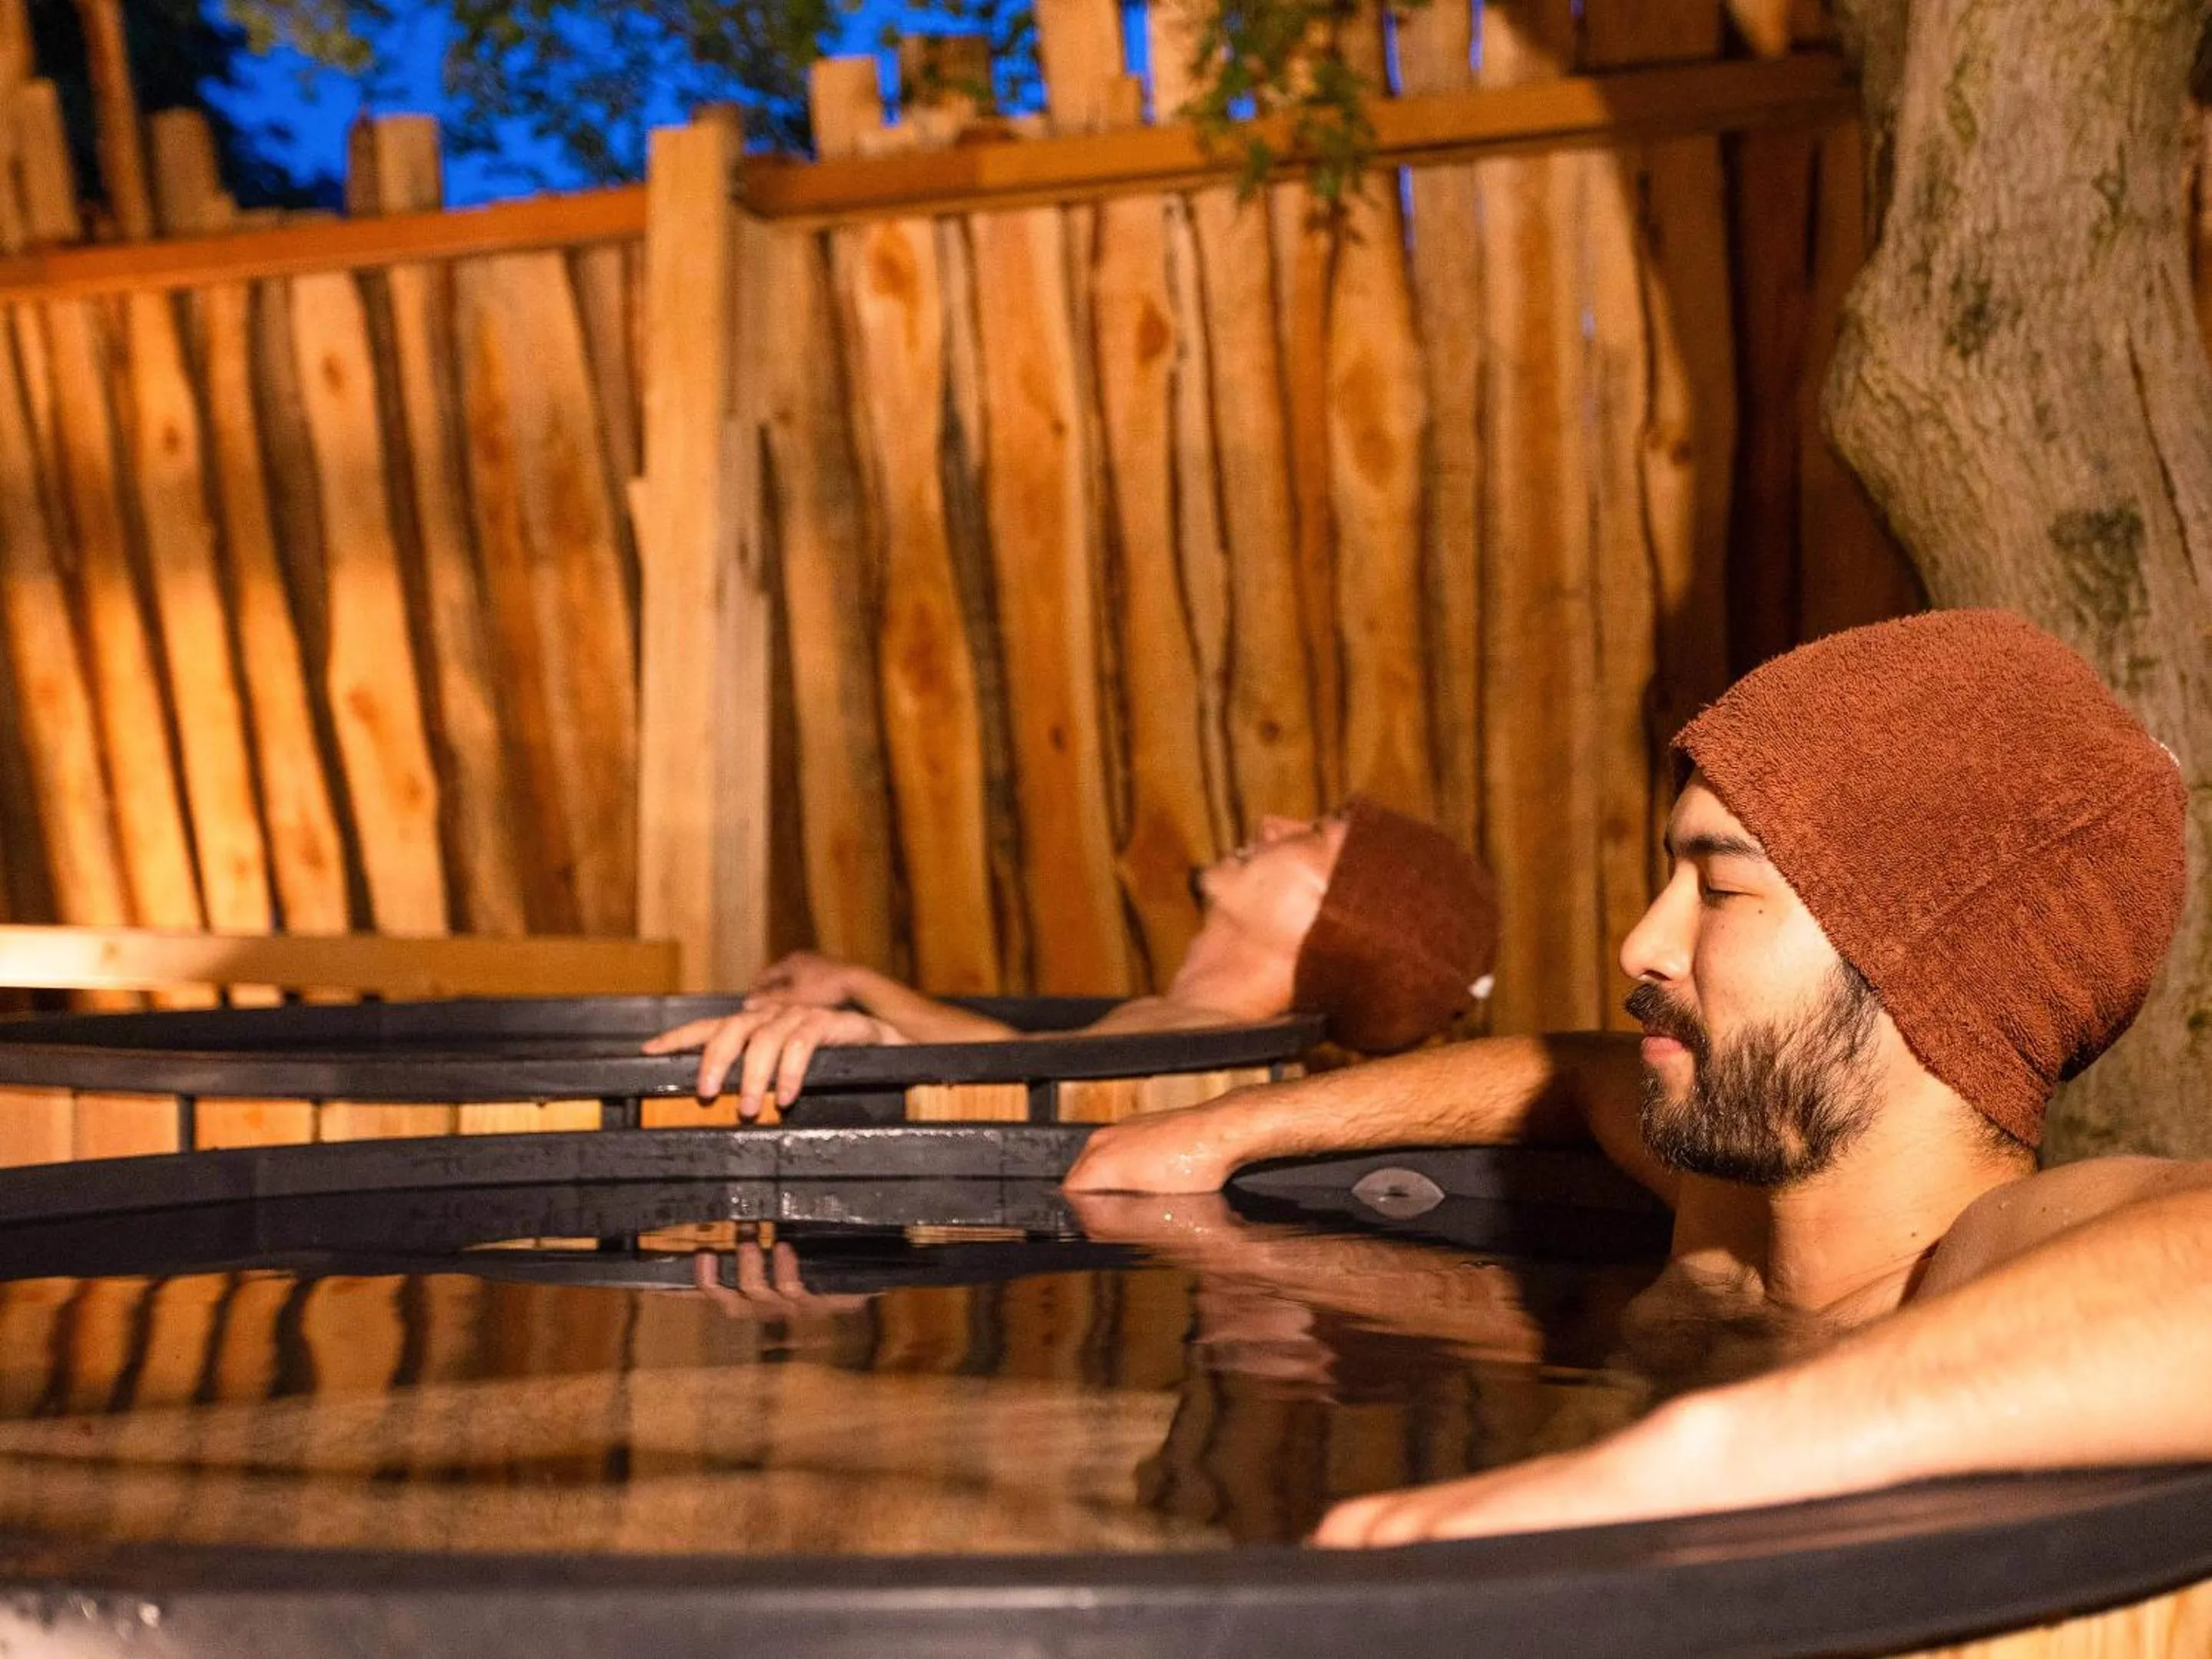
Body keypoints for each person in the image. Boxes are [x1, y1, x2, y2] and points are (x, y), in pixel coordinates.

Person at [1064, 608, 2212, 1547]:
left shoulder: (1970, 1263)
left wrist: (1683, 1461)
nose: (1642, 944)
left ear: (1928, 971)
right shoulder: (1726, 1223)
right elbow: (1570, 1074)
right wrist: (1225, 1133)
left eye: (1718, 892)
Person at [644, 799, 1498, 1119]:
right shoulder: (1188, 1032)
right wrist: (865, 988)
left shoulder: (1216, 1064)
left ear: (1337, 927)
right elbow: (1027, 1061)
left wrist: (873, 1045)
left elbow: (1038, 1107)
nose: (1274, 821)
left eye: (1313, 834)